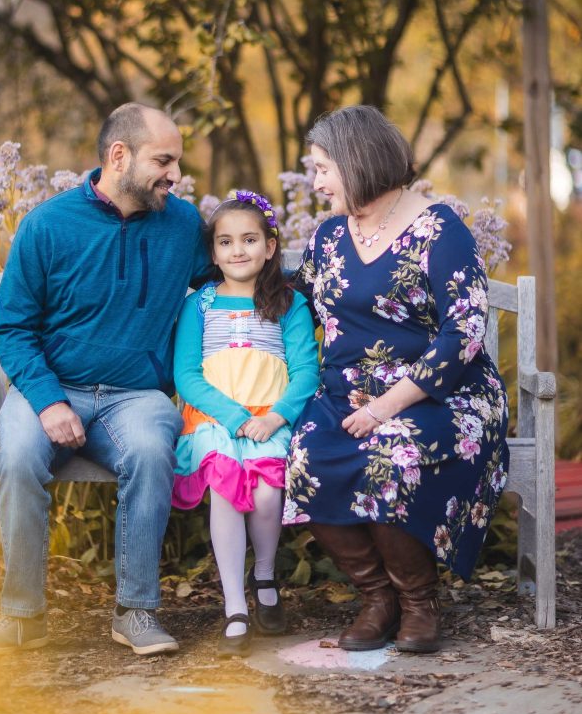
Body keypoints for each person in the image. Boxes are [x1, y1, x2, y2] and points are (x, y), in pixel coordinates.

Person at [0, 103, 211, 656]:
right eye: (164, 160)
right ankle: (22, 615)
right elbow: (12, 330)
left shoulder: (183, 224)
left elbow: (233, 278)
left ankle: (136, 612)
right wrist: (50, 402)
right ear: (118, 156)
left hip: (136, 396)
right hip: (51, 387)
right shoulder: (47, 226)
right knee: (22, 454)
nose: (175, 175)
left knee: (152, 450)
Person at [283, 105, 510, 654]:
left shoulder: (440, 229)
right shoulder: (329, 237)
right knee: (305, 459)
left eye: (322, 169)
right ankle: (377, 598)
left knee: (391, 452)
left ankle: (418, 603)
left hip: (443, 393)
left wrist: (387, 406)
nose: (315, 184)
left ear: (356, 163)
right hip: (346, 393)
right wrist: (224, 284)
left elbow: (465, 334)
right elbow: (297, 301)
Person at [172, 191, 319, 656]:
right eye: (225, 242)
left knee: (266, 491)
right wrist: (233, 416)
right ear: (213, 252)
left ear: (270, 246)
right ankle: (235, 606)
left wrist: (276, 416)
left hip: (269, 417)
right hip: (215, 420)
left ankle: (266, 576)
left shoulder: (289, 304)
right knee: (225, 487)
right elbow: (186, 374)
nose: (238, 251)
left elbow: (306, 372)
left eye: (249, 240)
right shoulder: (199, 304)